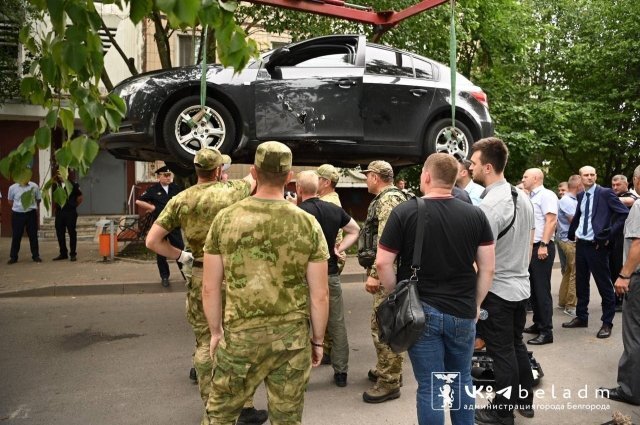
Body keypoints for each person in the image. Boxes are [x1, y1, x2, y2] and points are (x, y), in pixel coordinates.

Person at [201, 141, 329, 425]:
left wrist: (215, 332)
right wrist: (317, 341)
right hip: (291, 341)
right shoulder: (307, 224)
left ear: (253, 172)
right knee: (287, 419)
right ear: (289, 176)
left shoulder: (226, 219)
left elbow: (210, 286)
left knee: (219, 417)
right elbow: (320, 294)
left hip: (240, 338)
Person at [145, 149, 266, 425]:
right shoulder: (231, 190)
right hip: (233, 275)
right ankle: (244, 407)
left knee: (205, 341)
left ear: (196, 170)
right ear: (216, 171)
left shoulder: (181, 199)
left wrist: (180, 255)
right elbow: (253, 177)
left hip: (200, 273)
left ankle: (213, 409)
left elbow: (152, 241)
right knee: (238, 340)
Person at [376, 153, 495, 425]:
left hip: (420, 312)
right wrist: (476, 304)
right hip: (463, 310)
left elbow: (383, 264)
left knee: (431, 386)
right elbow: (487, 268)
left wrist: (398, 297)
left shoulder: (404, 212)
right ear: (454, 179)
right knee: (461, 379)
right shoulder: (476, 215)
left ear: (427, 176)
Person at [469, 137, 536, 424]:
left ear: (487, 167)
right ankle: (524, 400)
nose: (469, 167)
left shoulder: (489, 206)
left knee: (502, 353)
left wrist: (476, 300)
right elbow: (530, 243)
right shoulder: (522, 198)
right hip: (521, 286)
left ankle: (502, 411)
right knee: (516, 345)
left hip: (499, 291)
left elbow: (483, 261)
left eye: (472, 163)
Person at [296, 170, 360, 387]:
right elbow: (355, 230)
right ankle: (341, 372)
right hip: (330, 272)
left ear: (299, 189)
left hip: (304, 276)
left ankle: (302, 374)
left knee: (302, 323)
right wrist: (338, 248)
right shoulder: (334, 209)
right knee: (337, 323)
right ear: (317, 187)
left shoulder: (297, 213)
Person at [358, 160, 409, 403]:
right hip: (391, 272)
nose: (366, 179)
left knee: (384, 326)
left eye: (368, 175)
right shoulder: (392, 198)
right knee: (383, 323)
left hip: (388, 274)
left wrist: (376, 274)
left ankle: (389, 381)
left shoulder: (388, 200)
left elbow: (386, 241)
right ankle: (386, 369)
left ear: (376, 177)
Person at [564, 166, 629, 339]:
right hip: (582, 245)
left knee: (604, 285)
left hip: (597, 246)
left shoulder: (605, 193)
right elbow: (581, 216)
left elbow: (623, 213)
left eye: (592, 174)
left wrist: (607, 235)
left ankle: (607, 323)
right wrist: (573, 233)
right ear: (580, 177)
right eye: (586, 175)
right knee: (581, 282)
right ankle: (581, 317)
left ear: (596, 176)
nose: (590, 177)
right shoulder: (580, 195)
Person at [600, 165, 640, 406]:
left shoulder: (638, 206)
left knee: (634, 333)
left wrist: (624, 275)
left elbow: (637, 245)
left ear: (636, 181)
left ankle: (629, 389)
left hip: (638, 277)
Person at [521, 168, 558, 345]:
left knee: (542, 290)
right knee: (533, 290)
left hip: (541, 247)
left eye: (526, 177)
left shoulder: (546, 195)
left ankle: (546, 331)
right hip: (531, 248)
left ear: (536, 178)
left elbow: (551, 220)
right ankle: (538, 323)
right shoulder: (529, 196)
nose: (523, 179)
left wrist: (543, 244)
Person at [136, 165, 184, 287]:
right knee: (161, 252)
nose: (168, 178)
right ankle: (164, 276)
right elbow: (139, 201)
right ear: (159, 177)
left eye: (169, 175)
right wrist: (152, 208)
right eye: (165, 175)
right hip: (160, 225)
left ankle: (186, 275)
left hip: (173, 225)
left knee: (180, 250)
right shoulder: (153, 189)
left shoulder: (176, 188)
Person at [315, 163, 343, 363]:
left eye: (318, 178)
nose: (316, 182)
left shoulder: (329, 203)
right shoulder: (330, 199)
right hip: (331, 263)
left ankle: (329, 350)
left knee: (329, 312)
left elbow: (336, 237)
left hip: (326, 264)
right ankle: (328, 348)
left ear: (326, 182)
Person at [610, 174, 639, 312]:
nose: (615, 187)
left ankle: (623, 297)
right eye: (613, 185)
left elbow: (629, 200)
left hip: (627, 238)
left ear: (627, 184)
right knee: (613, 268)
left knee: (621, 267)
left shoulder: (633, 196)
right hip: (613, 238)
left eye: (618, 185)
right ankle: (617, 297)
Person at [556, 175, 582, 317]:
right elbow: (574, 221)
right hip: (569, 240)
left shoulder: (571, 199)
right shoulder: (567, 200)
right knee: (575, 272)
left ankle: (563, 301)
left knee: (568, 271)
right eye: (582, 185)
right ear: (578, 187)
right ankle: (571, 305)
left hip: (567, 239)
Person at [7, 179, 42, 264]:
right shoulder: (12, 187)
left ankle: (35, 256)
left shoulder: (34, 186)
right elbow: (10, 201)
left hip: (31, 214)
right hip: (18, 214)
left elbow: (38, 199)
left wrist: (31, 206)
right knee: (16, 235)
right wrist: (20, 207)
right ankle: (13, 257)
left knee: (33, 235)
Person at [52, 171, 83, 261]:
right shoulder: (55, 185)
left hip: (70, 212)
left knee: (72, 232)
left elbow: (80, 197)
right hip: (60, 213)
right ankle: (63, 253)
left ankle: (73, 254)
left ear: (67, 174)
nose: (60, 176)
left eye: (62, 173)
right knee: (60, 233)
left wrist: (73, 205)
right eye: (59, 174)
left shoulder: (73, 185)